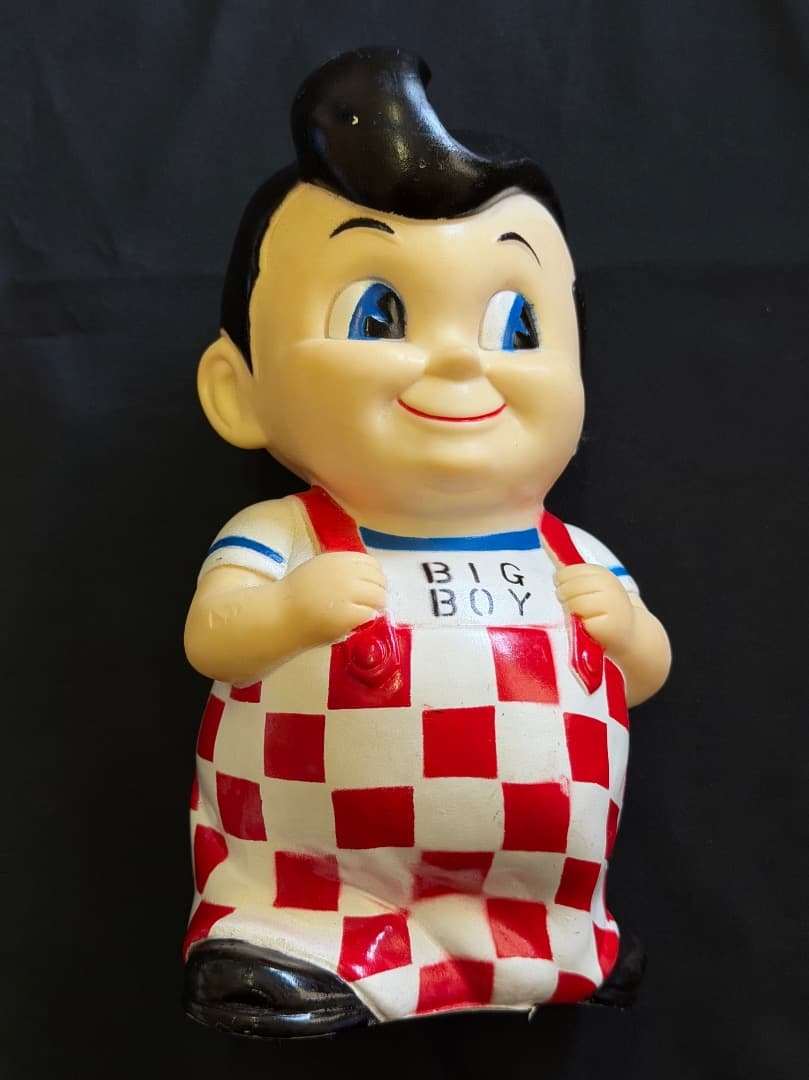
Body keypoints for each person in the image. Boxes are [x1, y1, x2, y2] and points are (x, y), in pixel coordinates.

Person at [181, 46, 671, 1037]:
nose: (457, 359)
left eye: (516, 325)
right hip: (323, 883)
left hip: (537, 881)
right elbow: (211, 638)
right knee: (306, 911)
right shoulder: (285, 534)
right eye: (379, 315)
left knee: (546, 923)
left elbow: (647, 670)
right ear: (239, 392)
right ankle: (296, 947)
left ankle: (550, 946)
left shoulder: (570, 551)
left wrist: (625, 631)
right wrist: (287, 614)